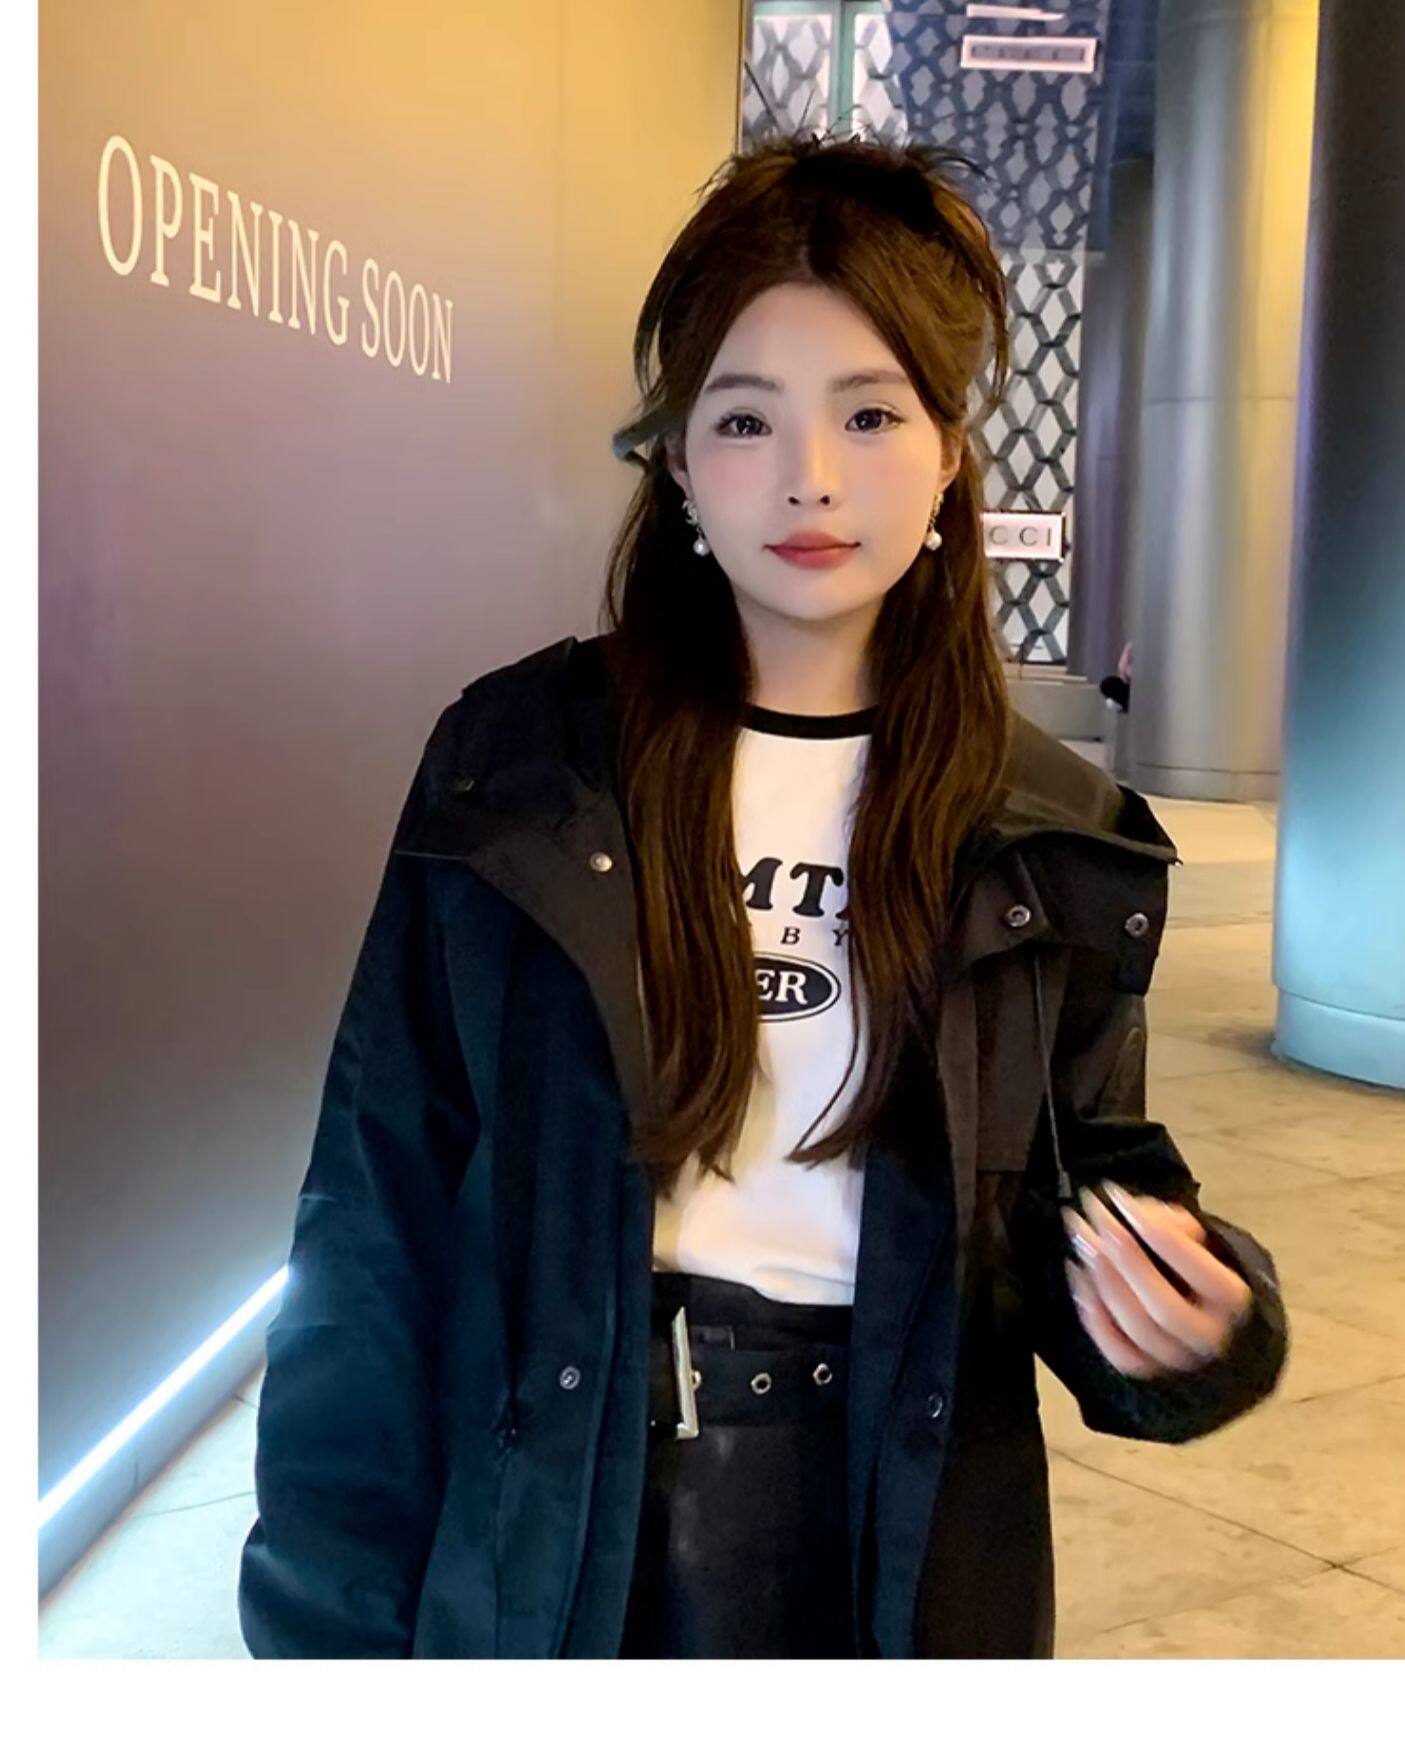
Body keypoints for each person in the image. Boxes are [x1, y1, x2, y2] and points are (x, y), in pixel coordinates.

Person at [238, 131, 1288, 1661]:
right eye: (745, 418)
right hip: (558, 1505)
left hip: (889, 1529)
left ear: (948, 450)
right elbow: (377, 1211)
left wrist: (1189, 1319)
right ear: (677, 460)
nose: (811, 476)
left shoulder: (1050, 830)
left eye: (869, 412)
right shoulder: (518, 765)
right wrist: (324, 1631)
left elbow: (1072, 1187)